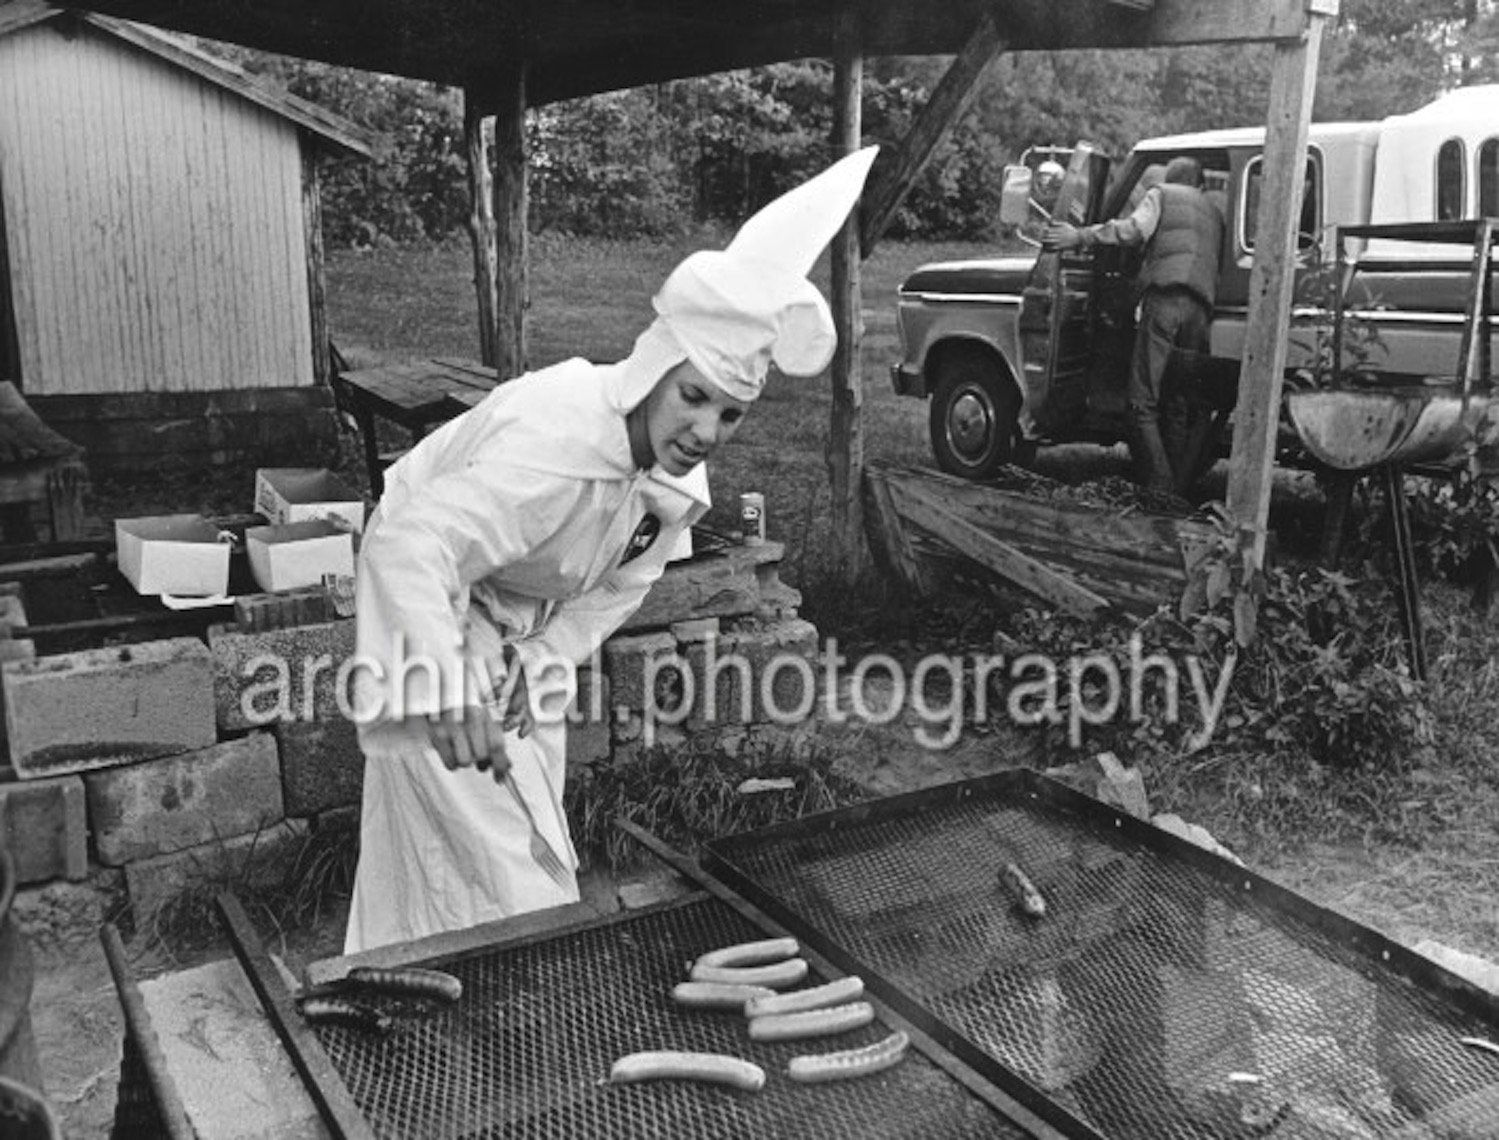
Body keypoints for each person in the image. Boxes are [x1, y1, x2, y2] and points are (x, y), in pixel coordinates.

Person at [342, 146, 880, 953]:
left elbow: (627, 580)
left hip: (515, 612)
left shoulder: (666, 483)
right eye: (693, 397)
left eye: (728, 415)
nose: (704, 432)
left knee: (516, 808)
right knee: (490, 834)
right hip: (432, 592)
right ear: (655, 369)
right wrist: (446, 681)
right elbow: (412, 547)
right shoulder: (555, 447)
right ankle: (515, 990)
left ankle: (412, 979)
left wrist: (549, 654)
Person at [1043, 155, 1225, 494]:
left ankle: (1160, 488)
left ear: (1170, 177)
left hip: (1166, 301)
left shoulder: (1162, 194)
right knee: (1178, 402)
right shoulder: (1214, 212)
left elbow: (1133, 231)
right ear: (1199, 184)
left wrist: (1079, 236)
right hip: (1201, 310)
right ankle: (1179, 486)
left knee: (1142, 401)